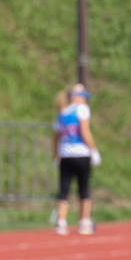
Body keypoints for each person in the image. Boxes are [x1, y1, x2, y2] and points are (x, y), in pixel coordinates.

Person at [52, 84, 101, 236]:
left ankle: (61, 223)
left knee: (64, 190)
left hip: (65, 155)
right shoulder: (82, 109)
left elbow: (56, 138)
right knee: (84, 189)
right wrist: (93, 150)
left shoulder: (62, 112)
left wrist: (56, 155)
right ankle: (85, 222)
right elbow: (85, 131)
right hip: (81, 153)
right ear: (77, 96)